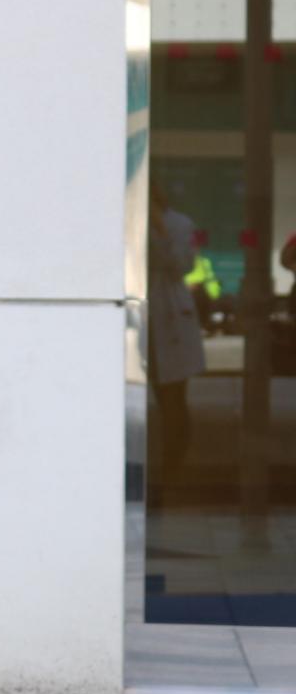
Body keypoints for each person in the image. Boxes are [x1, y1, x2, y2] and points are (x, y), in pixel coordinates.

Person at [150, 178, 207, 495]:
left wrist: (160, 235)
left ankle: (174, 466)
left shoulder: (179, 224)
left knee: (173, 400)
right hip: (146, 316)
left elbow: (182, 266)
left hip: (170, 316)